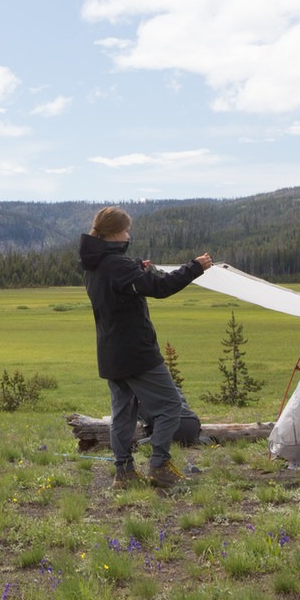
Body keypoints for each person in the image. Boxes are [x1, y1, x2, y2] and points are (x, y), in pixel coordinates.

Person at [79, 206, 212, 488]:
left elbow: (123, 283)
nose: (129, 235)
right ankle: (159, 466)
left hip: (111, 354)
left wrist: (138, 268)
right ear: (114, 233)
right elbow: (161, 288)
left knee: (123, 414)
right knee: (170, 405)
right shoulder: (119, 266)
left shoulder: (95, 265)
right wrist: (195, 267)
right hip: (137, 353)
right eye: (126, 230)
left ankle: (123, 472)